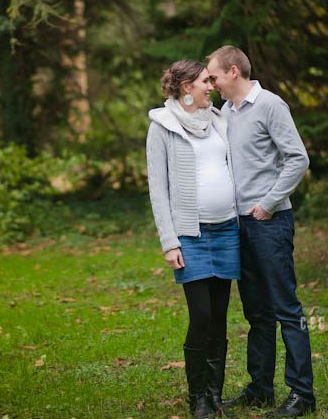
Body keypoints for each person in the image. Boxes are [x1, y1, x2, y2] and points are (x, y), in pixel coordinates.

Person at [204, 46, 316, 418]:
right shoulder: (225, 113)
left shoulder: (270, 105)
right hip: (239, 226)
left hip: (269, 222)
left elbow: (298, 158)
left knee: (286, 308)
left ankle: (302, 394)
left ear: (233, 72)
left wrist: (268, 203)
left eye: (214, 76)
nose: (212, 83)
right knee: (257, 313)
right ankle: (260, 389)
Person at [146, 59, 240, 419]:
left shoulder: (218, 120)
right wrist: (170, 242)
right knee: (200, 315)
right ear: (186, 87)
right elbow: (158, 189)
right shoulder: (162, 126)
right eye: (204, 81)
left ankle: (215, 396)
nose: (211, 86)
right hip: (192, 235)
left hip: (227, 229)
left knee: (219, 316)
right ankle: (197, 397)